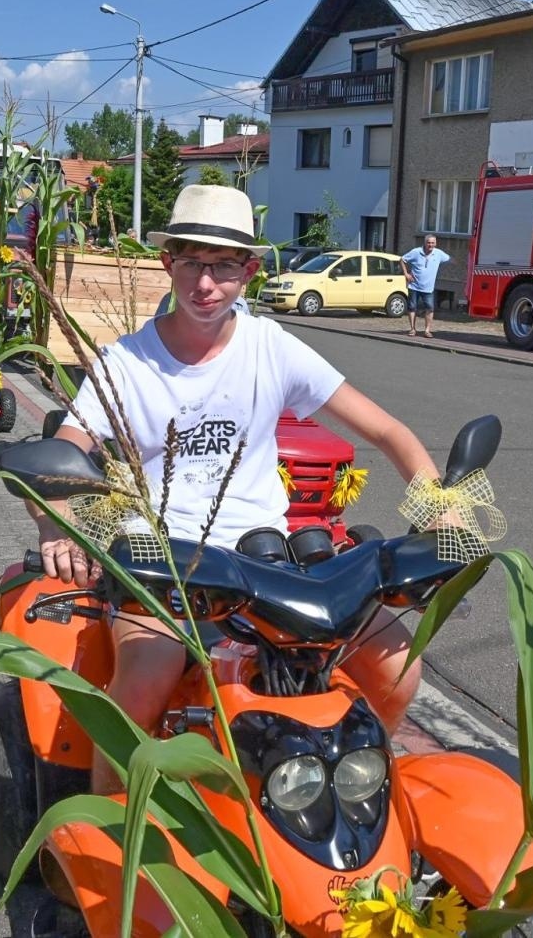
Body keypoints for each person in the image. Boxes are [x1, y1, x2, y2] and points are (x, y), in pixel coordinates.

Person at [34, 185, 451, 795]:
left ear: (249, 270)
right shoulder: (124, 362)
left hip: (267, 557)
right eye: (192, 262)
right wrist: (54, 520)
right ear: (166, 261)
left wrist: (439, 504)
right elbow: (66, 448)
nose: (207, 283)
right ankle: (110, 828)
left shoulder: (270, 346)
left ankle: (357, 783)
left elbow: (388, 430)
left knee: (393, 664)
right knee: (150, 670)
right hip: (165, 559)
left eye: (224, 265)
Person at [400, 233, 451, 338]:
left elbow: (450, 259)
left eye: (433, 243)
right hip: (414, 285)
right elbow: (402, 259)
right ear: (425, 243)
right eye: (428, 243)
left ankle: (427, 330)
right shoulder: (416, 252)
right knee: (412, 307)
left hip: (428, 288)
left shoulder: (438, 253)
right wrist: (406, 274)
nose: (430, 245)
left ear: (436, 243)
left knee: (430, 308)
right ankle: (412, 329)